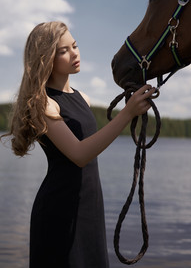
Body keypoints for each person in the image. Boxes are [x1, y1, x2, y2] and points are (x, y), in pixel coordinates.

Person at [1, 21, 155, 268]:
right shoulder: (44, 103)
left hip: (90, 206)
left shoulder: (83, 97)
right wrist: (127, 114)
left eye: (75, 45)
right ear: (45, 58)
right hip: (58, 209)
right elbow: (79, 154)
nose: (74, 53)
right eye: (63, 50)